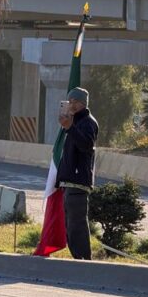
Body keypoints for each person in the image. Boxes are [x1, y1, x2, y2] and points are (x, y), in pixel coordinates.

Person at [57, 87, 99, 261]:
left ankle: (83, 261)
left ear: (83, 103)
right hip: (69, 183)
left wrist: (70, 128)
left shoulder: (88, 122)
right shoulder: (74, 123)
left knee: (77, 225)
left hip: (78, 183)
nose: (72, 105)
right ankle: (77, 259)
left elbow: (85, 145)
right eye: (70, 101)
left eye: (75, 101)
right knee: (69, 226)